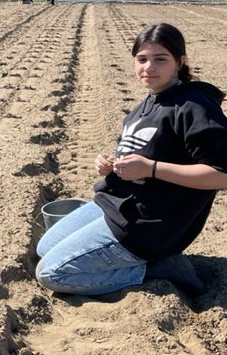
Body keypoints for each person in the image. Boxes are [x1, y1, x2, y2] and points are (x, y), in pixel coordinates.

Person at [36, 23, 227, 297]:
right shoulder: (149, 103)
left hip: (146, 226)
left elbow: (222, 174)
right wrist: (110, 163)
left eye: (160, 59)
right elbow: (147, 152)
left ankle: (158, 268)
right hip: (117, 204)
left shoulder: (193, 106)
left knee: (52, 272)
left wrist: (151, 169)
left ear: (180, 62)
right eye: (142, 59)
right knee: (44, 247)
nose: (149, 67)